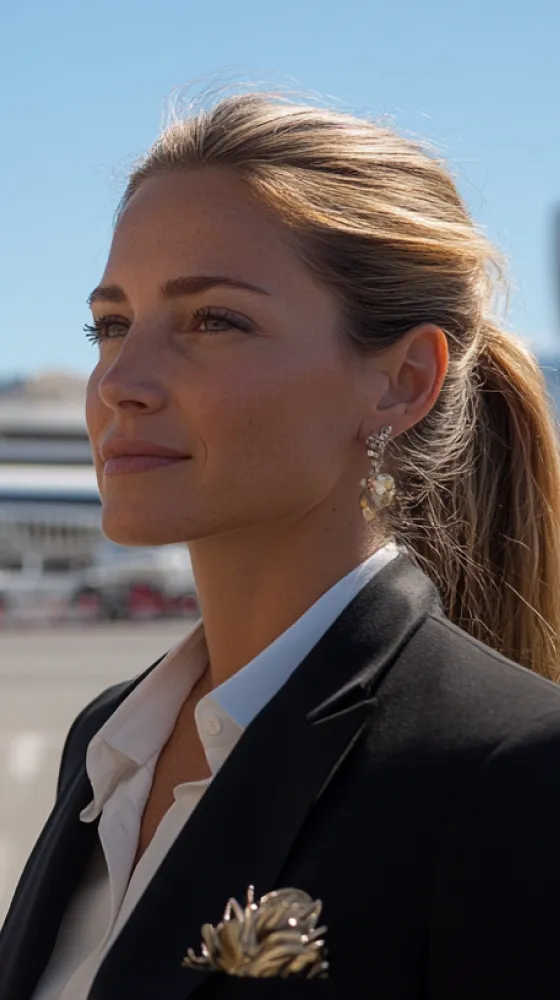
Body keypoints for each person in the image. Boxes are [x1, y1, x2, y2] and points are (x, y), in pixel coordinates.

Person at [2, 90, 560, 1000]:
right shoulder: (108, 743)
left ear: (401, 381)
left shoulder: (515, 778)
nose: (120, 383)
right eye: (111, 324)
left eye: (214, 320)